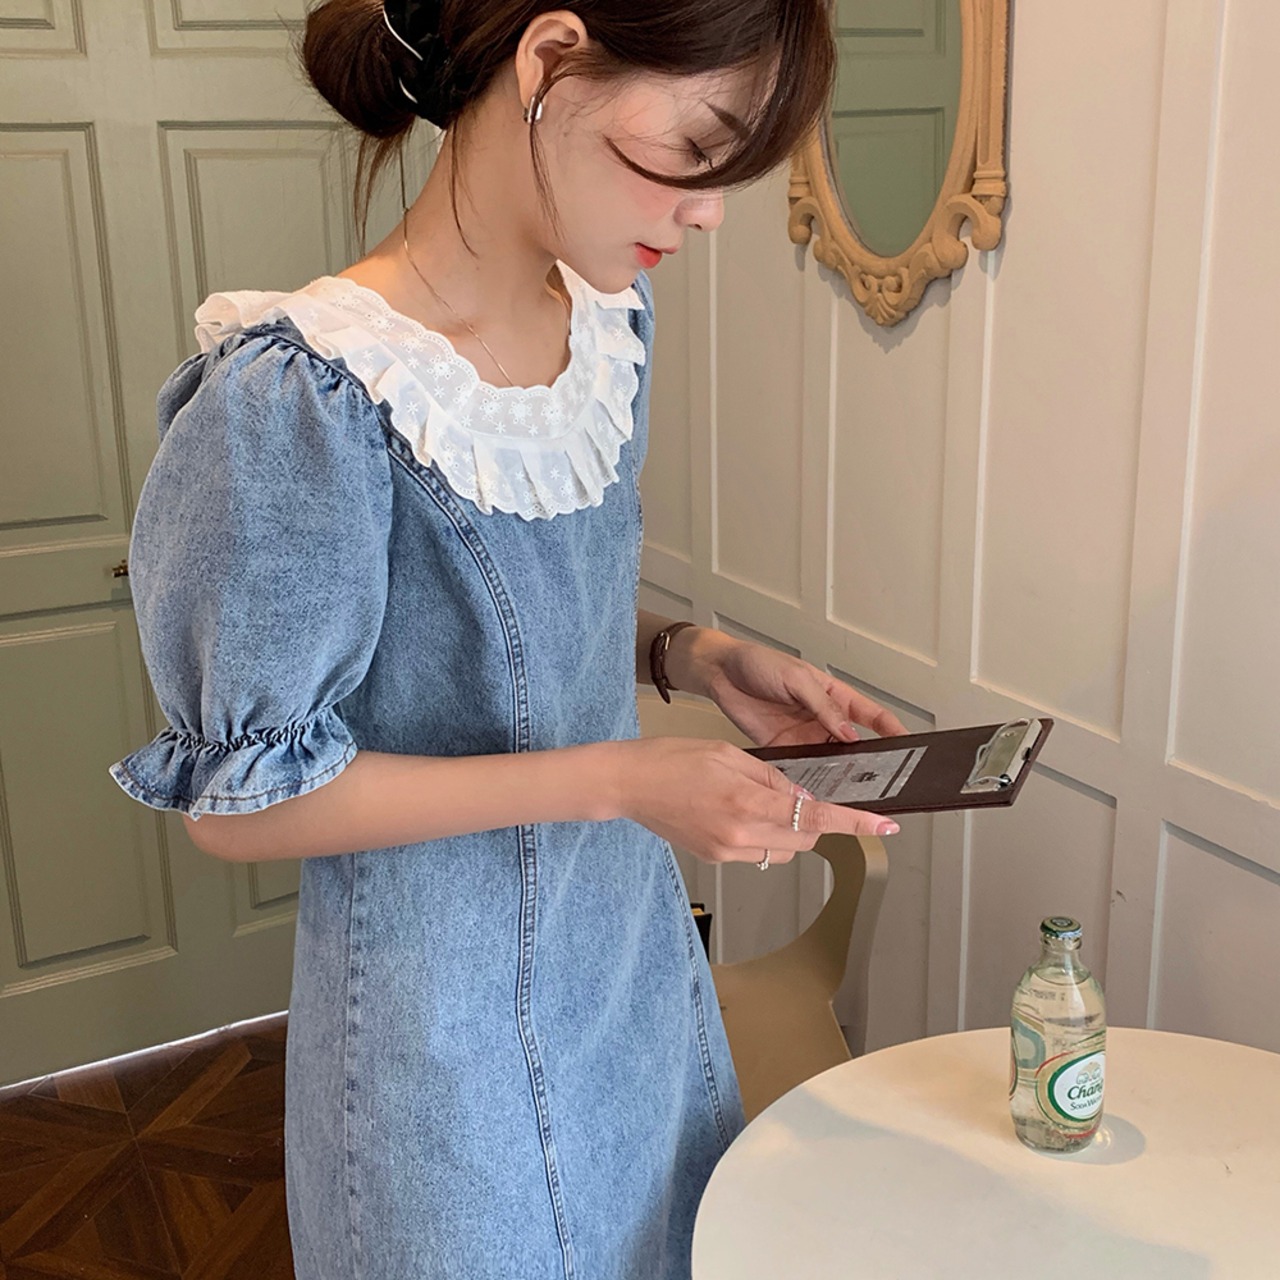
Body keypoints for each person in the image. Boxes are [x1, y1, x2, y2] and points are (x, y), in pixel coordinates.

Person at [109, 1, 907, 1275]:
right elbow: (242, 805)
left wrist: (693, 658)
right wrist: (621, 778)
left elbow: (489, 629)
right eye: (696, 149)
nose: (709, 212)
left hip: (630, 970)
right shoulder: (301, 396)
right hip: (440, 1046)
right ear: (548, 61)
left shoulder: (607, 329)